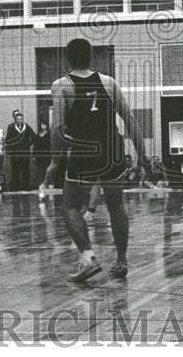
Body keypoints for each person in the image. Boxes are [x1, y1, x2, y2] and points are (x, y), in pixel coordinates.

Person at [51, 38, 146, 282]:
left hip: (84, 149)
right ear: (92, 57)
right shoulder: (109, 82)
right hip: (112, 149)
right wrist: (143, 156)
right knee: (117, 206)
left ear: (67, 59)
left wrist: (54, 160)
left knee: (70, 205)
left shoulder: (61, 85)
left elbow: (57, 129)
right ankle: (122, 261)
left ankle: (88, 257)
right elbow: (131, 119)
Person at [5, 110, 37, 191]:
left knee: (25, 170)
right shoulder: (11, 127)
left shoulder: (27, 127)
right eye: (18, 119)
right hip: (14, 153)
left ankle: (26, 187)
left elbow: (34, 137)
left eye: (21, 119)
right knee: (15, 171)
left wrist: (28, 144)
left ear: (23, 119)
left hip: (25, 153)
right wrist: (8, 151)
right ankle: (15, 187)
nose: (19, 120)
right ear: (15, 119)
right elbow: (8, 140)